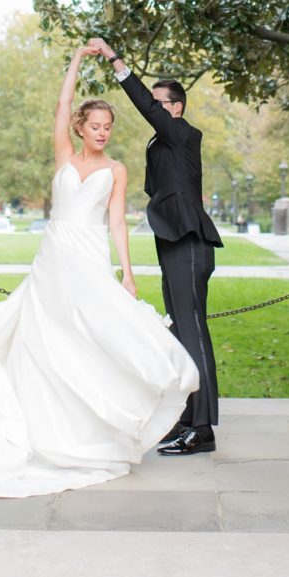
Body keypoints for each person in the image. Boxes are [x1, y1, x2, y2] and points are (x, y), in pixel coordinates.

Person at [0, 45, 198, 500]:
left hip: (89, 258)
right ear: (80, 128)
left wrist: (127, 272)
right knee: (41, 339)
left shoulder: (116, 170)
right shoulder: (64, 155)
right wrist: (78, 60)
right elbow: (62, 106)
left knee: (89, 340)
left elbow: (116, 221)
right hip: (54, 258)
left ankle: (92, 430)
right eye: (94, 126)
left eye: (107, 128)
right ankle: (40, 428)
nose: (101, 134)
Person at [88, 38, 222, 455]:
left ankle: (202, 429)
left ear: (175, 107)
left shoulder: (182, 132)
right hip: (173, 240)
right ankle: (186, 418)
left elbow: (146, 104)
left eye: (161, 103)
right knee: (181, 333)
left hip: (189, 241)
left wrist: (116, 60)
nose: (155, 108)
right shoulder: (164, 143)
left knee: (193, 332)